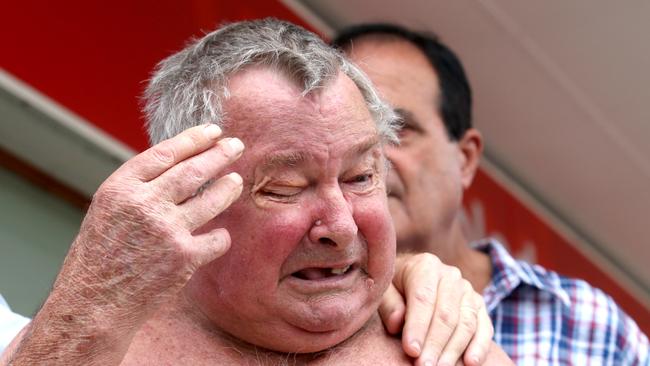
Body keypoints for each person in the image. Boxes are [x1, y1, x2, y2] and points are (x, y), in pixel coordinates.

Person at [0, 19, 513, 365]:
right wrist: (86, 310)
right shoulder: (89, 347)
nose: (340, 225)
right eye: (286, 187)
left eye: (361, 177)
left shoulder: (445, 336)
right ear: (187, 193)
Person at [333, 23, 649, 365]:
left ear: (466, 159)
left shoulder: (589, 324)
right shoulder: (296, 315)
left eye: (399, 128)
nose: (373, 157)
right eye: (351, 132)